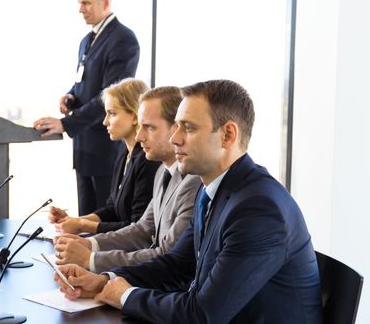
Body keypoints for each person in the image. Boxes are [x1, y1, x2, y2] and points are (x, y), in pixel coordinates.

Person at [54, 80, 323, 323]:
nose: (175, 138)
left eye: (188, 128)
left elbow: (204, 314)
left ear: (228, 135)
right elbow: (176, 265)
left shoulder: (260, 209)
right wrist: (103, 281)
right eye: (176, 126)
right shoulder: (213, 191)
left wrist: (125, 296)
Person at [53, 86, 201, 273]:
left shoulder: (192, 182)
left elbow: (166, 255)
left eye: (149, 127)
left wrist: (91, 259)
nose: (140, 136)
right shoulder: (163, 172)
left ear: (176, 128)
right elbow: (143, 229)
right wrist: (89, 243)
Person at [33, 0, 140, 216]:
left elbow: (110, 96)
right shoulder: (87, 40)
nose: (80, 9)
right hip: (83, 147)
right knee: (84, 221)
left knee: (102, 223)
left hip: (104, 147)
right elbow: (84, 82)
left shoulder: (123, 39)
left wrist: (65, 123)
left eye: (86, 3)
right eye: (80, 4)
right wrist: (71, 96)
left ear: (105, 3)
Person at [49, 79, 160, 235]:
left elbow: (137, 228)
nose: (105, 122)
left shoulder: (147, 160)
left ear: (135, 116)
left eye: (112, 114)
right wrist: (73, 221)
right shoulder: (124, 154)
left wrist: (82, 226)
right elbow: (112, 209)